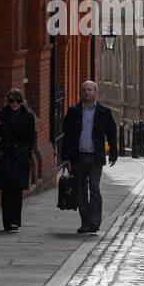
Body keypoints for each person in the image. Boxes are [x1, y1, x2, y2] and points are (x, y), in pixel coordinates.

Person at [59, 80, 118, 235]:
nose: (87, 92)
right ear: (81, 92)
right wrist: (65, 157)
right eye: (84, 90)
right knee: (80, 190)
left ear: (95, 92)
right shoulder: (73, 111)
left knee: (94, 187)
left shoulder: (104, 112)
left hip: (95, 157)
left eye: (90, 90)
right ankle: (85, 222)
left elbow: (111, 134)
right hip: (78, 156)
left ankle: (95, 221)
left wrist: (113, 153)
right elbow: (67, 136)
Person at [0, 89, 36, 231]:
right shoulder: (1, 114)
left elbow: (31, 137)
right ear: (7, 101)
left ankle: (15, 220)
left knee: (17, 190)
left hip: (20, 156)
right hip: (6, 156)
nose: (14, 104)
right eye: (11, 101)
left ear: (21, 101)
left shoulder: (28, 116)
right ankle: (7, 222)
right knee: (6, 190)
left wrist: (27, 152)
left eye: (17, 101)